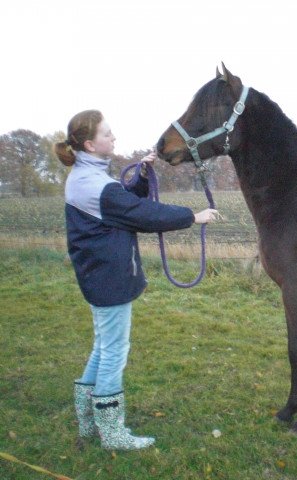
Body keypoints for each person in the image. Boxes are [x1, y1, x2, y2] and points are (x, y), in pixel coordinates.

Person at [54, 109, 218, 450]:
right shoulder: (95, 185)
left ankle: (88, 422)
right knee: (114, 351)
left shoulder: (89, 177)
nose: (114, 138)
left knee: (103, 346)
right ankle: (112, 432)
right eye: (107, 134)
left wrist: (143, 176)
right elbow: (140, 213)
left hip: (100, 275)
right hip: (109, 277)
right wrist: (194, 216)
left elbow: (124, 202)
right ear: (90, 143)